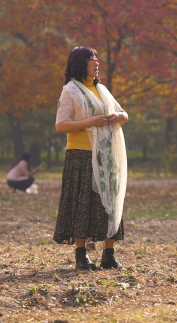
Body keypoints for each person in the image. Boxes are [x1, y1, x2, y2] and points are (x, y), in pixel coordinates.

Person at [53, 46, 129, 271]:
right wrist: (90, 122)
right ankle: (81, 255)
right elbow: (60, 126)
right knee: (82, 203)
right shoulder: (70, 91)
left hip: (106, 154)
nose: (96, 62)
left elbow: (123, 114)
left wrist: (120, 116)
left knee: (109, 202)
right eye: (91, 59)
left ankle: (108, 255)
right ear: (80, 63)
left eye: (96, 58)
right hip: (81, 156)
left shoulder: (102, 90)